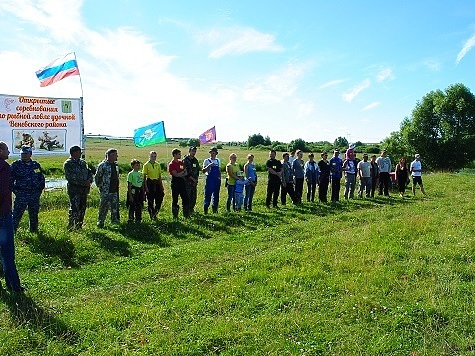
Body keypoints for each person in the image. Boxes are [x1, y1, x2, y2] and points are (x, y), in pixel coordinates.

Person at [0, 141, 24, 292]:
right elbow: (2, 191)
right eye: (6, 149)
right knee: (7, 251)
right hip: (2, 215)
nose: (9, 152)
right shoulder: (3, 167)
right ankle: (13, 286)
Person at [10, 145, 45, 232]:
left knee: (34, 215)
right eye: (22, 154)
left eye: (26, 154)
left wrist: (39, 190)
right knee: (16, 215)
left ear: (30, 154)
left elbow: (41, 178)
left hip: (34, 194)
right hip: (22, 194)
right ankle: (12, 232)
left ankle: (34, 231)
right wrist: (16, 191)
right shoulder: (16, 165)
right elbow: (10, 180)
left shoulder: (35, 165)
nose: (24, 155)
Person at [63, 145, 93, 230]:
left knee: (82, 208)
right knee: (74, 208)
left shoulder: (83, 162)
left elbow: (89, 172)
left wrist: (89, 180)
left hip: (84, 190)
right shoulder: (68, 164)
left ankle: (79, 226)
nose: (81, 153)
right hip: (74, 190)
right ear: (74, 153)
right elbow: (71, 178)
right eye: (79, 151)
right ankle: (71, 226)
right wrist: (84, 183)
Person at [95, 148, 120, 228]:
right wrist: (101, 187)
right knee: (103, 207)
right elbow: (97, 177)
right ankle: (101, 222)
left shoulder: (116, 165)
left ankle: (114, 221)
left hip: (114, 189)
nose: (117, 156)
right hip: (105, 190)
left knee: (114, 206)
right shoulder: (102, 165)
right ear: (110, 155)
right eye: (115, 154)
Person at [142, 151, 165, 221]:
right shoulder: (146, 165)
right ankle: (151, 215)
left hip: (157, 183)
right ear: (149, 156)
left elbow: (159, 176)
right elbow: (144, 177)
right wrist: (145, 187)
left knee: (160, 198)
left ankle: (155, 212)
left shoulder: (157, 165)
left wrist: (161, 185)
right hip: (150, 183)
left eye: (155, 156)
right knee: (150, 200)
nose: (153, 158)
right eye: (152, 156)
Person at [168, 148, 190, 219]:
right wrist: (181, 173)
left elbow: (185, 172)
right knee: (175, 199)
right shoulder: (171, 164)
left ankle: (186, 214)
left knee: (185, 198)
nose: (180, 155)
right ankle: (175, 215)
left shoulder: (181, 163)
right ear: (175, 155)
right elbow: (175, 175)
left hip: (182, 182)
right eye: (179, 154)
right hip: (175, 182)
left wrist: (180, 173)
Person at [203, 147, 221, 214]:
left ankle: (215, 209)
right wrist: (209, 166)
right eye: (211, 153)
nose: (212, 154)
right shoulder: (207, 160)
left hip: (217, 180)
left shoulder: (218, 160)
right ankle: (206, 209)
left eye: (214, 153)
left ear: (216, 153)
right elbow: (203, 171)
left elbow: (219, 170)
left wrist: (220, 178)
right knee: (208, 194)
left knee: (216, 195)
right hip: (210, 180)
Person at [183, 146, 200, 214]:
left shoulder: (195, 160)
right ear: (189, 151)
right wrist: (193, 179)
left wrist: (196, 180)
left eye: (195, 151)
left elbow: (197, 171)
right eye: (192, 151)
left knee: (193, 197)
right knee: (187, 197)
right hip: (187, 182)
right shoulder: (185, 160)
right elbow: (185, 172)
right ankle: (186, 211)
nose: (194, 153)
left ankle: (191, 209)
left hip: (194, 182)